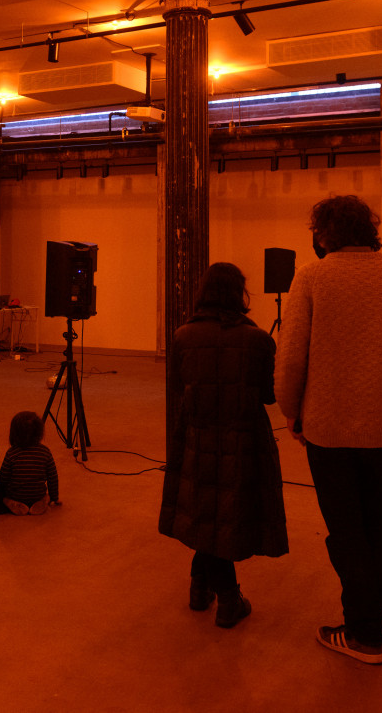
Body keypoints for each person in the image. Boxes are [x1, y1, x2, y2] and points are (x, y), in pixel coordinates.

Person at [277, 195, 382, 664]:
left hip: (328, 427)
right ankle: (375, 612)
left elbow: (291, 357)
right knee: (376, 522)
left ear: (323, 233)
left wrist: (291, 409)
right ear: (370, 229)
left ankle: (363, 632)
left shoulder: (312, 276)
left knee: (345, 529)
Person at [159, 262, 288, 629]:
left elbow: (177, 387)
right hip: (242, 438)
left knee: (207, 510)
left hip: (197, 436)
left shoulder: (183, 336)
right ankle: (229, 599)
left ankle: (200, 587)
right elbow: (268, 395)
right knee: (224, 514)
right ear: (238, 294)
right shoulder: (259, 340)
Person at [0, 411, 61, 515]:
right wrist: (55, 497)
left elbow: (3, 478)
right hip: (37, 494)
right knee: (46, 496)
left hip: (16, 495)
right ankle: (41, 503)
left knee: (3, 496)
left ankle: (15, 504)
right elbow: (52, 477)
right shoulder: (45, 452)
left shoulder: (12, 453)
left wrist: (1, 493)